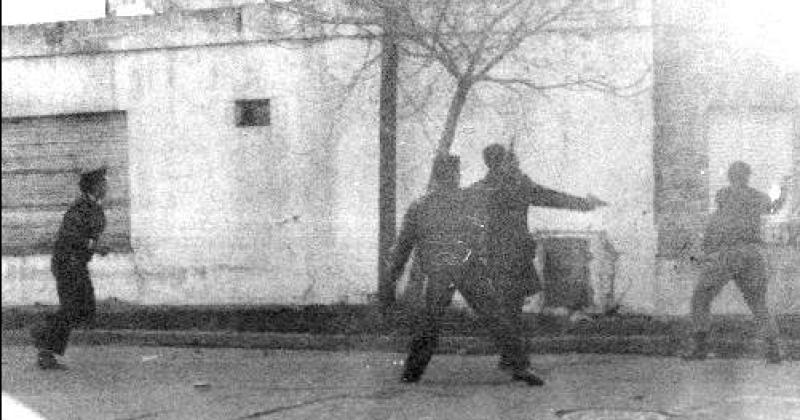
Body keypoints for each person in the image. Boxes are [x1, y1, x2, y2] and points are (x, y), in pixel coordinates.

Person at [381, 154, 545, 386]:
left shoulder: (420, 206)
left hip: (442, 271)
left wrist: (391, 277)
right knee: (495, 317)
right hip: (466, 269)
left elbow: (403, 247)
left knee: (431, 322)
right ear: (451, 176)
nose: (456, 177)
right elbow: (494, 191)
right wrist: (510, 173)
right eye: (455, 173)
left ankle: (411, 374)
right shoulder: (467, 199)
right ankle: (520, 367)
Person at [464, 144, 607, 369]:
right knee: (512, 309)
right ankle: (515, 359)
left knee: (505, 308)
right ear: (503, 163)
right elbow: (551, 198)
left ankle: (509, 357)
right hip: (516, 256)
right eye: (512, 161)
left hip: (493, 256)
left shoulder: (480, 188)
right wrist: (585, 204)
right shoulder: (518, 186)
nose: (517, 164)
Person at [685, 161, 789, 363]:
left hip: (728, 253)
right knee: (758, 303)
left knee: (700, 298)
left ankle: (700, 348)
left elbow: (716, 223)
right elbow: (774, 208)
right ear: (747, 176)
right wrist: (784, 191)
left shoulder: (724, 195)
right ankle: (773, 351)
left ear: (730, 176)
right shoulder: (758, 196)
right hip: (752, 253)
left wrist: (706, 250)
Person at [30, 166, 110, 369]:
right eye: (103, 182)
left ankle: (43, 328)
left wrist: (94, 247)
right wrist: (96, 247)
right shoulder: (79, 209)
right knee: (72, 309)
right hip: (68, 264)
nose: (107, 186)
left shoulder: (92, 207)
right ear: (94, 186)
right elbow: (71, 237)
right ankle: (46, 351)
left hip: (77, 264)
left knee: (85, 309)